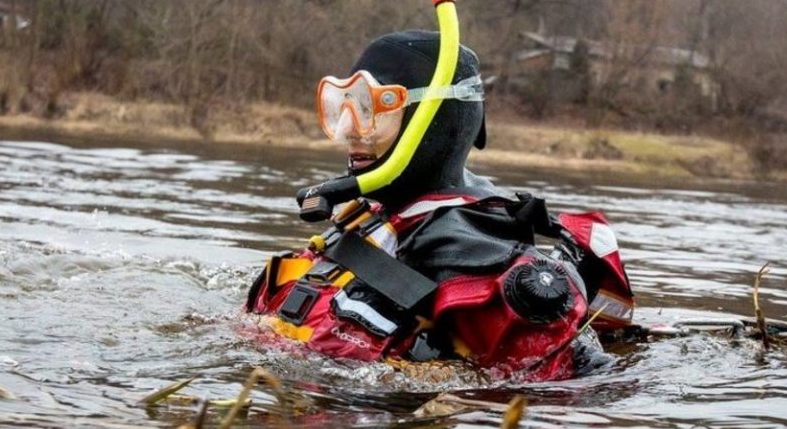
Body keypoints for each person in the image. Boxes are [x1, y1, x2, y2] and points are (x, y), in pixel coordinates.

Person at [246, 30, 634, 381]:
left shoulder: (483, 260)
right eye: (342, 108)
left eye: (371, 111)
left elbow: (557, 395)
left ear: (433, 122)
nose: (349, 130)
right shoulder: (370, 220)